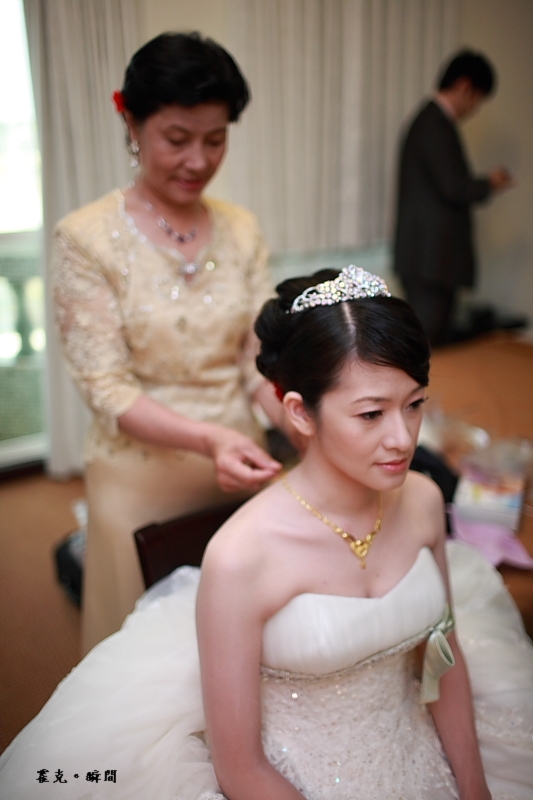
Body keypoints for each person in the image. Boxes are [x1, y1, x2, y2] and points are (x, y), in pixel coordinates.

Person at [1, 266, 532, 799]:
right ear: (299, 412)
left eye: (415, 405)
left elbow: (443, 659)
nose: (403, 438)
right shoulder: (240, 556)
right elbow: (240, 769)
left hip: (420, 756)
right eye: (371, 414)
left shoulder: (423, 500)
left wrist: (474, 788)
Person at [52, 32, 284, 654]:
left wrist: (298, 413)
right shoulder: (85, 239)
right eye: (177, 139)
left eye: (216, 139)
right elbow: (107, 389)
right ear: (131, 122)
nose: (198, 161)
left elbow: (256, 358)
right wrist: (210, 441)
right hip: (139, 472)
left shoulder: (242, 228)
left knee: (252, 643)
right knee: (148, 656)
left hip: (241, 460)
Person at [393, 50, 513, 346]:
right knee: (426, 342)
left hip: (429, 257)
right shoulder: (435, 123)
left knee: (432, 340)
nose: (475, 109)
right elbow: (454, 187)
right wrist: (490, 183)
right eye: (477, 99)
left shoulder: (430, 120)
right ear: (464, 86)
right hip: (430, 258)